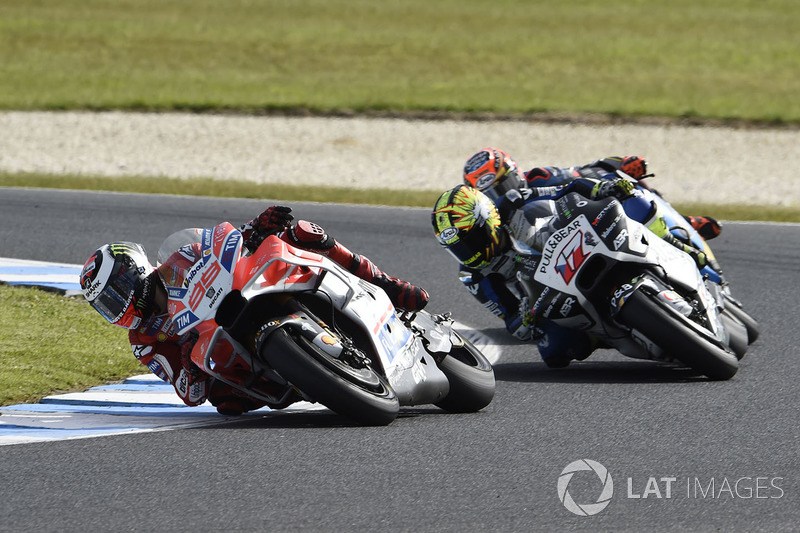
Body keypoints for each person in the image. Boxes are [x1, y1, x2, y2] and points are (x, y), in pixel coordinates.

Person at [80, 206, 429, 416]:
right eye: (108, 304)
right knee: (224, 403)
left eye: (117, 291)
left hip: (245, 290)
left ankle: (387, 285)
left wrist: (257, 228)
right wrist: (187, 359)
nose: (120, 304)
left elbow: (224, 248)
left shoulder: (179, 258)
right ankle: (299, 375)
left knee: (301, 232)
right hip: (230, 348)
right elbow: (189, 393)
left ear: (135, 270)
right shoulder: (144, 339)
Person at [431, 177, 707, 369]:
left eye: (471, 240)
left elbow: (566, 189)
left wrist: (600, 188)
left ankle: (676, 245)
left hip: (575, 244)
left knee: (629, 203)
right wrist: (527, 316)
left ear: (488, 219)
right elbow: (511, 320)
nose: (469, 252)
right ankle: (632, 334)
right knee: (556, 351)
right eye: (458, 248)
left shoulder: (512, 202)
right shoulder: (474, 276)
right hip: (549, 294)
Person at [462, 147, 723, 241]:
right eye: (492, 194)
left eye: (503, 186)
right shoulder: (494, 227)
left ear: (515, 173)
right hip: (554, 259)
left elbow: (587, 169)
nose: (501, 197)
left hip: (588, 219)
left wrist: (622, 163)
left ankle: (679, 222)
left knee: (614, 181)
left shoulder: (539, 177)